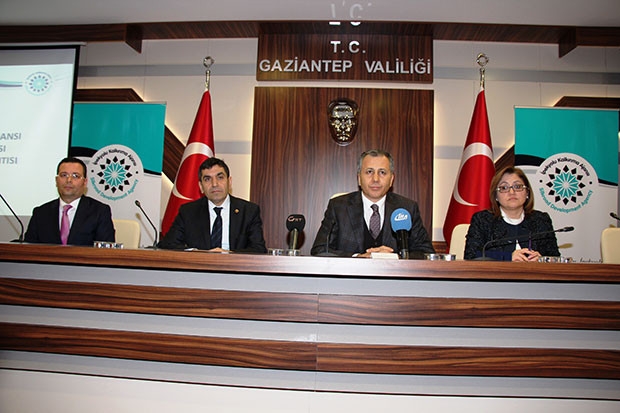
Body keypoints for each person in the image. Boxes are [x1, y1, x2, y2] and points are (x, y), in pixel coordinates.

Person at [311, 149, 435, 258]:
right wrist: (357, 257)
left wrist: (395, 257)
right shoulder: (338, 207)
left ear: (391, 179)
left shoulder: (407, 208)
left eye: (382, 172)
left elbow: (427, 254)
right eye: (369, 172)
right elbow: (320, 250)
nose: (375, 179)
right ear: (359, 178)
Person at [158, 157, 267, 253]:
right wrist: (197, 253)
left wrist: (229, 254)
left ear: (229, 182)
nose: (214, 184)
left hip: (236, 268)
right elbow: (167, 245)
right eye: (207, 179)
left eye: (220, 177)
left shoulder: (248, 211)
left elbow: (258, 249)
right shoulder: (188, 212)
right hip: (200, 268)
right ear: (201, 186)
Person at [464, 166, 560, 261]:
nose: (511, 192)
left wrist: (542, 259)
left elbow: (555, 258)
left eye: (517, 187)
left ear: (527, 192)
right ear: (496, 195)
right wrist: (508, 257)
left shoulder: (541, 220)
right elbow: (471, 255)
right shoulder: (482, 220)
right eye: (504, 187)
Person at [24, 157, 115, 246]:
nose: (69, 180)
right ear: (56, 180)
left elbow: (105, 250)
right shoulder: (40, 213)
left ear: (85, 182)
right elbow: (28, 249)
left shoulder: (99, 212)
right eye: (64, 175)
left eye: (75, 176)